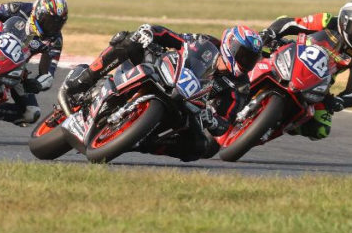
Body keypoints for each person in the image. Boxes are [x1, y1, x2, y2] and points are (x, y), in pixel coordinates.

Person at [64, 23, 263, 162]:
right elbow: (174, 37)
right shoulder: (207, 42)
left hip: (186, 107)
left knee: (201, 148)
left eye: (251, 59)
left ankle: (145, 142)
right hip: (163, 71)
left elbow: (225, 123)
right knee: (128, 39)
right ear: (230, 45)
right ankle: (86, 79)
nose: (246, 62)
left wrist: (210, 119)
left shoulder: (240, 86)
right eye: (243, 55)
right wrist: (150, 32)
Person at [257, 0, 352, 140]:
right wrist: (270, 33)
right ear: (344, 22)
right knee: (253, 50)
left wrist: (340, 101)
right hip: (293, 56)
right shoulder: (326, 21)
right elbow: (290, 23)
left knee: (320, 129)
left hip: (319, 83)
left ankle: (279, 125)